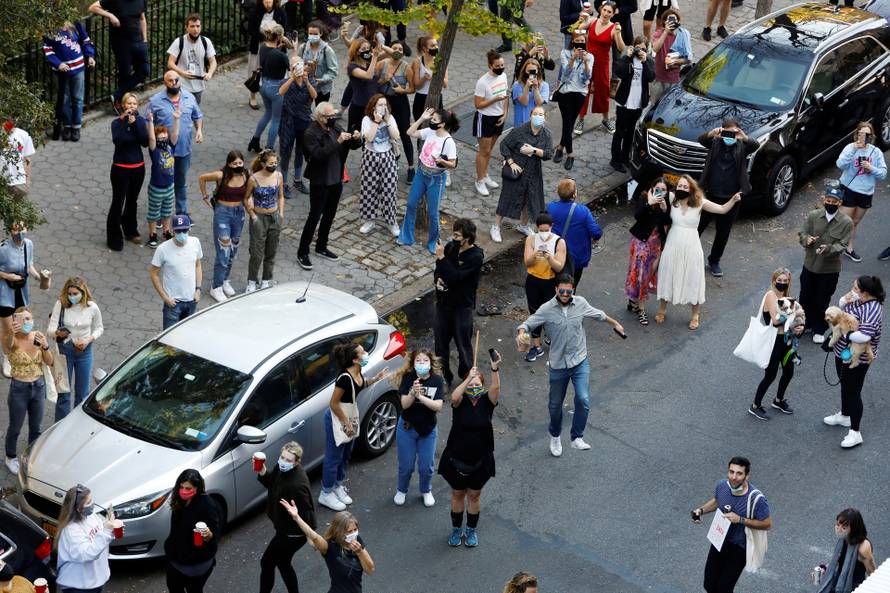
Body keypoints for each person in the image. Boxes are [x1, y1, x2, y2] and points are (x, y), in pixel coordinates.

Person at [517, 275, 624, 456]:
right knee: (555, 405)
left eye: (569, 291)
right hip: (558, 365)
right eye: (562, 291)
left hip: (579, 361)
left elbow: (599, 315)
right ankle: (555, 435)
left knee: (583, 399)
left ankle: (577, 438)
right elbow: (527, 324)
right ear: (556, 289)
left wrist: (616, 324)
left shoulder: (581, 303)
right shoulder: (547, 309)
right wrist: (521, 334)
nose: (565, 294)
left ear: (573, 290)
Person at [655, 175, 741, 330]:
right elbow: (655, 192)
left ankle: (695, 315)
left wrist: (733, 200)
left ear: (691, 189)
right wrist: (657, 190)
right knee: (668, 274)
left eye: (685, 187)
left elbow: (722, 209)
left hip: (691, 247)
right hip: (672, 245)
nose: (681, 189)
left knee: (693, 279)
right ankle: (662, 309)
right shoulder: (672, 198)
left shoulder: (700, 202)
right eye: (679, 186)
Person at [438, 358, 501, 548]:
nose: (474, 387)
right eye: (471, 384)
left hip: (481, 460)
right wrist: (467, 379)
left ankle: (471, 530)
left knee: (474, 496)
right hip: (456, 458)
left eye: (477, 384)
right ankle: (456, 529)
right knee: (457, 494)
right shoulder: (460, 402)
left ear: (482, 386)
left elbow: (496, 388)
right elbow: (455, 397)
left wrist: (494, 368)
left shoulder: (487, 402)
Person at [319, 342, 389, 511]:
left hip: (349, 416)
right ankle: (326, 493)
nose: (365, 353)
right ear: (355, 359)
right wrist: (346, 423)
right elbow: (333, 404)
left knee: (346, 454)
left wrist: (376, 378)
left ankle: (337, 485)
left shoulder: (357, 372)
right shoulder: (344, 378)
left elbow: (360, 385)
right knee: (333, 456)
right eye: (362, 352)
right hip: (339, 417)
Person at [691, 457, 772, 593]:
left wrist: (740, 519)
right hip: (720, 540)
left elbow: (767, 524)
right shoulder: (722, 485)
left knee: (724, 588)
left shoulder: (756, 499)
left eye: (739, 473)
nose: (734, 477)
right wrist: (700, 510)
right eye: (731, 472)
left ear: (747, 476)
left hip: (739, 548)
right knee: (709, 584)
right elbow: (718, 501)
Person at [298, 102, 362, 270]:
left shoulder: (335, 128)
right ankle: (302, 251)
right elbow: (319, 155)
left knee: (330, 215)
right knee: (315, 216)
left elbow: (350, 145)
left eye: (334, 115)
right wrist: (338, 141)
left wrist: (356, 138)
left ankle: (321, 246)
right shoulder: (310, 133)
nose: (333, 118)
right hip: (320, 181)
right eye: (329, 116)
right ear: (320, 117)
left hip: (336, 179)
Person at [823, 275, 884, 448]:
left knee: (853, 392)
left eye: (856, 288)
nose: (852, 290)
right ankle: (844, 415)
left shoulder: (873, 309)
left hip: (858, 357)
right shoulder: (857, 300)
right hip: (842, 351)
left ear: (866, 293)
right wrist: (845, 299)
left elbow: (865, 335)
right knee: (845, 385)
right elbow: (841, 309)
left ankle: (855, 432)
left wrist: (845, 334)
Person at [696, 120, 758, 277]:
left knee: (723, 233)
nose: (730, 135)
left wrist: (743, 137)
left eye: (734, 132)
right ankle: (689, 256)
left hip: (731, 198)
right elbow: (702, 140)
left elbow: (755, 145)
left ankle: (714, 261)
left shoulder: (742, 146)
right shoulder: (715, 143)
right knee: (698, 227)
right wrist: (712, 133)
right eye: (727, 132)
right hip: (710, 194)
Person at [397, 108, 459, 253]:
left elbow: (453, 164)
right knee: (411, 204)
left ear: (442, 124)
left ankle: (434, 243)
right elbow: (409, 133)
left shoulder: (448, 141)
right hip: (421, 173)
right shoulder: (429, 132)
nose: (431, 122)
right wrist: (421, 118)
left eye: (434, 120)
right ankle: (406, 236)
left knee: (433, 213)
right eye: (431, 119)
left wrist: (441, 161)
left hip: (436, 179)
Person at [257, 442, 316, 593]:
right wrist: (262, 470)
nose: (283, 462)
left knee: (267, 562)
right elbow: (272, 483)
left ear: (297, 462)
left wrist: (311, 536)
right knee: (283, 563)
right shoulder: (282, 467)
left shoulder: (297, 485)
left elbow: (307, 511)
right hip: (285, 528)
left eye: (288, 460)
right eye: (282, 457)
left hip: (292, 534)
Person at [145, 71, 205, 216]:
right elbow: (147, 121)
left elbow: (198, 115)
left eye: (176, 80)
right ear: (165, 82)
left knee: (181, 182)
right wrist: (152, 139)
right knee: (161, 182)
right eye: (170, 80)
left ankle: (181, 214)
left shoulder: (189, 97)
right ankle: (158, 215)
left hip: (183, 149)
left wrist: (199, 130)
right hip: (163, 152)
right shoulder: (155, 101)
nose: (174, 83)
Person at [748, 268, 805, 420]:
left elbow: (793, 320)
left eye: (785, 281)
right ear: (774, 281)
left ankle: (778, 400)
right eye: (779, 281)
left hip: (787, 341)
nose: (782, 283)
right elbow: (775, 322)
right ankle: (755, 406)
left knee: (788, 372)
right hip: (774, 342)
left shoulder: (787, 297)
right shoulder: (771, 296)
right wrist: (794, 313)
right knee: (770, 375)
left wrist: (799, 327)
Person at [798, 187, 852, 343]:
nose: (830, 203)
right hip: (809, 265)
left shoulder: (846, 222)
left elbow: (843, 244)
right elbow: (803, 232)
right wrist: (806, 240)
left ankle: (819, 328)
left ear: (840, 203)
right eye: (828, 201)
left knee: (822, 300)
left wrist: (829, 249)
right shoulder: (814, 216)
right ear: (824, 200)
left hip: (829, 269)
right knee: (805, 297)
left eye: (834, 202)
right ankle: (804, 324)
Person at [491, 106, 554, 243]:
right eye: (535, 114)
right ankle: (495, 226)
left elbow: (549, 154)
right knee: (506, 198)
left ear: (545, 117)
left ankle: (523, 225)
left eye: (541, 114)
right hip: (517, 171)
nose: (538, 116)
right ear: (531, 116)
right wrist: (511, 162)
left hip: (533, 172)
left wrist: (534, 150)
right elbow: (504, 145)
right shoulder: (519, 131)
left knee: (529, 199)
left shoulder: (546, 135)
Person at [433, 219, 484, 386]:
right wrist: (438, 280)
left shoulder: (475, 256)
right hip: (444, 305)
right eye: (453, 234)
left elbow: (456, 277)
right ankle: (443, 377)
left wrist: (441, 258)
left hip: (462, 307)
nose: (453, 238)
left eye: (457, 235)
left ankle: (467, 377)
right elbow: (440, 270)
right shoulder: (450, 247)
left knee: (463, 345)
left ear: (467, 238)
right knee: (440, 345)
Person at [279, 506, 376, 592]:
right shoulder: (330, 547)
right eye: (349, 531)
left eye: (355, 530)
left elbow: (370, 570)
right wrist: (296, 517)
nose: (353, 534)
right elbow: (314, 537)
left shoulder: (357, 541)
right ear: (339, 532)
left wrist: (360, 552)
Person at [393, 349, 445, 506]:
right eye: (418, 361)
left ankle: (425, 490)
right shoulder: (408, 378)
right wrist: (412, 393)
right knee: (406, 467)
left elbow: (438, 406)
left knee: (426, 467)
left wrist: (420, 396)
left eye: (425, 361)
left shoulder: (437, 381)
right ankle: (402, 489)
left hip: (428, 430)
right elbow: (404, 404)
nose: (422, 364)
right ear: (413, 364)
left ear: (431, 363)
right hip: (407, 428)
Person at [47, 277, 104, 422]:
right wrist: (58, 333)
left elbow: (99, 328)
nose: (72, 297)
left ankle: (77, 425)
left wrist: (89, 339)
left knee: (82, 394)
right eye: (69, 294)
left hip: (85, 352)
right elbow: (50, 330)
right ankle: (60, 426)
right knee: (63, 393)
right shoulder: (60, 305)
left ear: (83, 292)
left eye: (75, 294)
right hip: (65, 351)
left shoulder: (92, 307)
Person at [3, 307, 51, 475]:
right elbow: (7, 348)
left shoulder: (37, 336)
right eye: (22, 320)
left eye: (29, 319)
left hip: (38, 387)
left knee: (36, 427)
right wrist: (10, 331)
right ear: (15, 322)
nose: (27, 323)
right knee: (15, 427)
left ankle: (31, 456)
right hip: (19, 389)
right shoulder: (11, 338)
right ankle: (10, 457)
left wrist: (45, 346)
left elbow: (49, 361)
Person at [0, 222, 50, 380]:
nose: (20, 232)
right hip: (4, 293)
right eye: (16, 229)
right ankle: (7, 356)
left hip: (20, 292)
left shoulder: (28, 244)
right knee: (9, 328)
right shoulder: (3, 248)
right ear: (10, 230)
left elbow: (29, 266)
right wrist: (8, 276)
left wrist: (38, 276)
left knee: (20, 327)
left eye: (22, 228)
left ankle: (17, 351)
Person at [200, 151, 249, 302]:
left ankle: (224, 279)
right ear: (228, 164)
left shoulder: (245, 175)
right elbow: (202, 178)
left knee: (233, 250)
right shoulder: (221, 175)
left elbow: (249, 192)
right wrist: (205, 196)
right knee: (223, 251)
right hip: (223, 214)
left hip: (239, 213)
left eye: (240, 163)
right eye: (234, 164)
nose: (238, 166)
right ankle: (216, 287)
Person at [54, 484, 120, 593]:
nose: (92, 504)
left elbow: (99, 534)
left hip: (94, 579)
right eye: (88, 502)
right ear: (78, 508)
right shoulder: (71, 530)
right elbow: (86, 553)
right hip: (79, 586)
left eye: (91, 499)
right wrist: (107, 531)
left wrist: (109, 526)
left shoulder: (91, 516)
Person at [164, 469, 221, 593]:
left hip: (196, 563)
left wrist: (208, 535)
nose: (184, 491)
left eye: (188, 488)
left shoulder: (207, 506)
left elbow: (213, 536)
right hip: (176, 558)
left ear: (197, 488)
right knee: (173, 587)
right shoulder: (180, 500)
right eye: (181, 487)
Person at [837, 122, 887, 263]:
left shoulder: (875, 152)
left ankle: (849, 248)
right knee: (843, 222)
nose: (863, 136)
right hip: (849, 189)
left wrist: (872, 168)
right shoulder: (850, 148)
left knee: (855, 222)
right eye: (861, 133)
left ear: (871, 136)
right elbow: (840, 164)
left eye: (867, 134)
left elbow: (883, 174)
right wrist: (854, 149)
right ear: (857, 134)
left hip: (866, 193)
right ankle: (831, 248)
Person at [523, 213, 568, 362]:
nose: (543, 233)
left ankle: (551, 336)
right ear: (537, 228)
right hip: (533, 281)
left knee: (550, 313)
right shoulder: (531, 239)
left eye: (546, 230)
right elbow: (527, 263)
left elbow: (559, 267)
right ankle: (536, 346)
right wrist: (535, 254)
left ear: (551, 227)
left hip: (549, 282)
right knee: (535, 313)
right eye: (541, 230)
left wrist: (549, 257)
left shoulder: (559, 242)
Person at [88, 0, 148, 108]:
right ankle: (122, 104)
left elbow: (142, 18)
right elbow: (93, 7)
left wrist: (145, 40)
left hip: (139, 41)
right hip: (122, 43)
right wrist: (110, 15)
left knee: (144, 70)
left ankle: (117, 95)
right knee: (125, 73)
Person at [626, 179, 670, 325]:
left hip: (655, 245)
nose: (660, 192)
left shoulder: (665, 202)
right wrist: (649, 203)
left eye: (663, 190)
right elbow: (638, 216)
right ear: (652, 187)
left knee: (647, 275)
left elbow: (667, 222)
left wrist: (664, 210)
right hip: (641, 243)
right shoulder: (644, 197)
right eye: (658, 188)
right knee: (640, 275)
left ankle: (633, 300)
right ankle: (641, 309)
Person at [576, 2, 626, 134]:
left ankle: (605, 119)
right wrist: (581, 30)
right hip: (587, 62)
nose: (606, 14)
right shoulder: (592, 21)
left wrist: (619, 34)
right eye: (604, 10)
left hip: (602, 64)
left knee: (603, 92)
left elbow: (621, 48)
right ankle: (580, 119)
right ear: (600, 10)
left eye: (609, 12)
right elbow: (577, 31)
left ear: (613, 13)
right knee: (584, 90)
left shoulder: (613, 28)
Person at [42, 20, 95, 142]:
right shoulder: (49, 29)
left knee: (78, 98)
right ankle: (67, 126)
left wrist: (90, 56)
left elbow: (86, 40)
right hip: (63, 71)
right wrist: (58, 63)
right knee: (65, 99)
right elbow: (47, 49)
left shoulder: (75, 24)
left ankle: (76, 127)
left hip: (79, 68)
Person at [108, 93, 148, 251]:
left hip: (138, 168)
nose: (131, 106)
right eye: (129, 103)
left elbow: (144, 142)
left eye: (134, 104)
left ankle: (130, 231)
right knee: (118, 202)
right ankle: (114, 237)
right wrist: (126, 124)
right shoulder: (116, 123)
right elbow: (118, 141)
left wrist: (135, 124)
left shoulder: (140, 121)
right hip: (120, 169)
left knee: (132, 201)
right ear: (123, 105)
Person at [150, 214, 203, 329]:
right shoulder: (163, 249)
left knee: (187, 339)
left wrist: (198, 289)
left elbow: (198, 265)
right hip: (173, 304)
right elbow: (154, 274)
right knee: (169, 343)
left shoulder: (195, 242)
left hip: (192, 301)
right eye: (178, 231)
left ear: (189, 229)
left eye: (185, 230)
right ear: (172, 231)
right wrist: (165, 298)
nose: (182, 234)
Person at [610, 38, 654, 172]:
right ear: (633, 47)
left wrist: (645, 60)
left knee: (630, 133)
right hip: (624, 103)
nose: (640, 51)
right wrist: (626, 57)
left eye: (643, 49)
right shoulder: (628, 59)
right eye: (638, 48)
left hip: (638, 104)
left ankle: (625, 158)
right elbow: (620, 73)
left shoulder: (649, 61)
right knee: (619, 132)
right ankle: (615, 160)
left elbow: (651, 77)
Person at [547, 179, 602, 286]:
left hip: (555, 255)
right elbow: (596, 232)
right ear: (574, 194)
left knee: (554, 284)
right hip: (576, 258)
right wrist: (595, 238)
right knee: (571, 286)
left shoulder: (550, 207)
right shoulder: (583, 211)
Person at [359, 94, 401, 237]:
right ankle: (369, 220)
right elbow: (369, 138)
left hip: (387, 156)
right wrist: (376, 122)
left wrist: (387, 121)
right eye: (379, 105)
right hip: (370, 157)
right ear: (373, 107)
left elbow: (396, 136)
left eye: (385, 105)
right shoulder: (366, 120)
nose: (383, 108)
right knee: (368, 189)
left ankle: (391, 221)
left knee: (389, 189)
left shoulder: (390, 119)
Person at [245, 150, 285, 292]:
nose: (273, 165)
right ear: (263, 164)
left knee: (271, 251)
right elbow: (246, 198)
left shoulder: (279, 176)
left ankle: (266, 279)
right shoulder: (253, 179)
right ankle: (251, 281)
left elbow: (281, 196)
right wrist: (252, 215)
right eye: (270, 163)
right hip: (259, 218)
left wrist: (280, 214)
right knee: (256, 252)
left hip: (274, 217)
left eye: (275, 163)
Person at [249, 24, 293, 153]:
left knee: (267, 113)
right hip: (276, 89)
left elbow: (271, 55)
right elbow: (293, 68)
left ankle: (255, 140)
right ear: (279, 36)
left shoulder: (263, 47)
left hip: (263, 85)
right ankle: (269, 149)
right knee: (276, 119)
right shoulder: (281, 55)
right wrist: (294, 49)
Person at [376, 40, 415, 184]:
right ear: (389, 50)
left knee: (405, 134)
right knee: (385, 133)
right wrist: (382, 80)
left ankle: (411, 167)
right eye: (394, 48)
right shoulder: (382, 64)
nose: (397, 50)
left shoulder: (406, 67)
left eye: (400, 49)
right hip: (384, 102)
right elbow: (373, 83)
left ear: (403, 53)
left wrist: (402, 90)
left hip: (400, 103)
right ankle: (390, 163)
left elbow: (412, 88)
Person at [553, 34, 593, 171]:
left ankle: (560, 147)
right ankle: (570, 154)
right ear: (573, 41)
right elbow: (565, 73)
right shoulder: (565, 53)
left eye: (583, 41)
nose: (580, 43)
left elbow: (588, 77)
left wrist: (586, 62)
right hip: (566, 92)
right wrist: (573, 58)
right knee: (567, 122)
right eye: (578, 41)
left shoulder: (590, 56)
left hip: (580, 93)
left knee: (569, 124)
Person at [278, 57, 317, 198]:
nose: (299, 68)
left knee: (300, 151)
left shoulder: (310, 80)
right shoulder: (287, 81)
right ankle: (283, 184)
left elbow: (315, 95)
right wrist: (292, 78)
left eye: (300, 65)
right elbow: (281, 92)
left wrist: (306, 81)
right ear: (291, 68)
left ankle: (298, 180)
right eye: (295, 66)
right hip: (288, 122)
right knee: (286, 152)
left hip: (304, 121)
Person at [473, 50, 509, 197]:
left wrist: (505, 113)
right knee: (484, 151)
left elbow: (506, 95)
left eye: (502, 65)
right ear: (490, 65)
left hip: (498, 117)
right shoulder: (482, 82)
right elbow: (478, 104)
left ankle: (485, 174)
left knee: (490, 150)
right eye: (497, 65)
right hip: (485, 118)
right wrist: (494, 100)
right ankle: (479, 180)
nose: (501, 67)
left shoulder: (504, 76)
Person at [816, 509, 876, 593]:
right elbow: (840, 559)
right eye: (837, 525)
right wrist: (824, 568)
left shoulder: (863, 547)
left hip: (853, 587)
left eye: (844, 527)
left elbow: (872, 573)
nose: (839, 529)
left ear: (854, 529)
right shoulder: (844, 539)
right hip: (839, 581)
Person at [145, 107, 181, 248]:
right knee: (154, 213)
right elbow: (152, 138)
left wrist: (176, 119)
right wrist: (151, 122)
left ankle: (166, 232)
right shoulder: (155, 151)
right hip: (156, 187)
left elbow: (175, 134)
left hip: (169, 186)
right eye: (161, 138)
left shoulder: (170, 147)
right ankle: (152, 234)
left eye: (165, 137)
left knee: (167, 212)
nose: (163, 140)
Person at [166, 13, 217, 105]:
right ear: (187, 27)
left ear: (201, 26)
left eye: (198, 26)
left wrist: (210, 73)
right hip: (181, 85)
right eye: (192, 26)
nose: (195, 29)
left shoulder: (206, 41)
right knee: (181, 112)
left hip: (198, 85)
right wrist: (183, 73)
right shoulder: (179, 42)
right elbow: (170, 63)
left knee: (194, 113)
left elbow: (213, 61)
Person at [247, 0, 286, 110]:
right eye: (265, 0)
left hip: (275, 46)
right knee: (254, 70)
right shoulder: (255, 11)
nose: (268, 3)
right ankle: (252, 97)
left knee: (274, 71)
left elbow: (284, 28)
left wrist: (278, 41)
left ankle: (274, 96)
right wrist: (264, 39)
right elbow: (251, 29)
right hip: (259, 45)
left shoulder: (280, 12)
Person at [649, 9, 692, 104]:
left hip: (673, 79)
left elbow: (688, 59)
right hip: (658, 78)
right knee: (654, 105)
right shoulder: (659, 33)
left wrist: (674, 62)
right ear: (664, 22)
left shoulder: (683, 35)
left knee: (668, 105)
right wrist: (665, 32)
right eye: (669, 20)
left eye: (674, 20)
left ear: (678, 22)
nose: (672, 22)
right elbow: (655, 49)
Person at [346, 40, 384, 133]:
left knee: (370, 134)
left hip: (372, 106)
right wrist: (375, 56)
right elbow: (368, 76)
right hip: (359, 106)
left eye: (368, 48)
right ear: (357, 51)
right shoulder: (352, 66)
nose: (367, 51)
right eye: (363, 49)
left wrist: (381, 46)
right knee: (352, 136)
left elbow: (390, 53)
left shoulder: (369, 63)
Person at [301, 20, 339, 105]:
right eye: (310, 33)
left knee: (321, 111)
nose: (312, 36)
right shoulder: (303, 47)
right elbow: (298, 63)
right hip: (306, 85)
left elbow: (333, 71)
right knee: (304, 110)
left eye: (315, 34)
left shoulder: (327, 50)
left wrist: (320, 80)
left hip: (322, 88)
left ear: (321, 34)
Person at [511, 59, 549, 129]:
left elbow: (539, 103)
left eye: (534, 71)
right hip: (521, 122)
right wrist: (526, 87)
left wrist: (536, 88)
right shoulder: (517, 85)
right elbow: (524, 102)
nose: (531, 73)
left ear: (538, 71)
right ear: (524, 70)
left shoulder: (544, 85)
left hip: (536, 122)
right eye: (529, 71)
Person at [0, 123, 35, 198]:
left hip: (19, 182)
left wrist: (27, 180)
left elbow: (27, 159)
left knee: (16, 207)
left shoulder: (23, 135)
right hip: (2, 182)